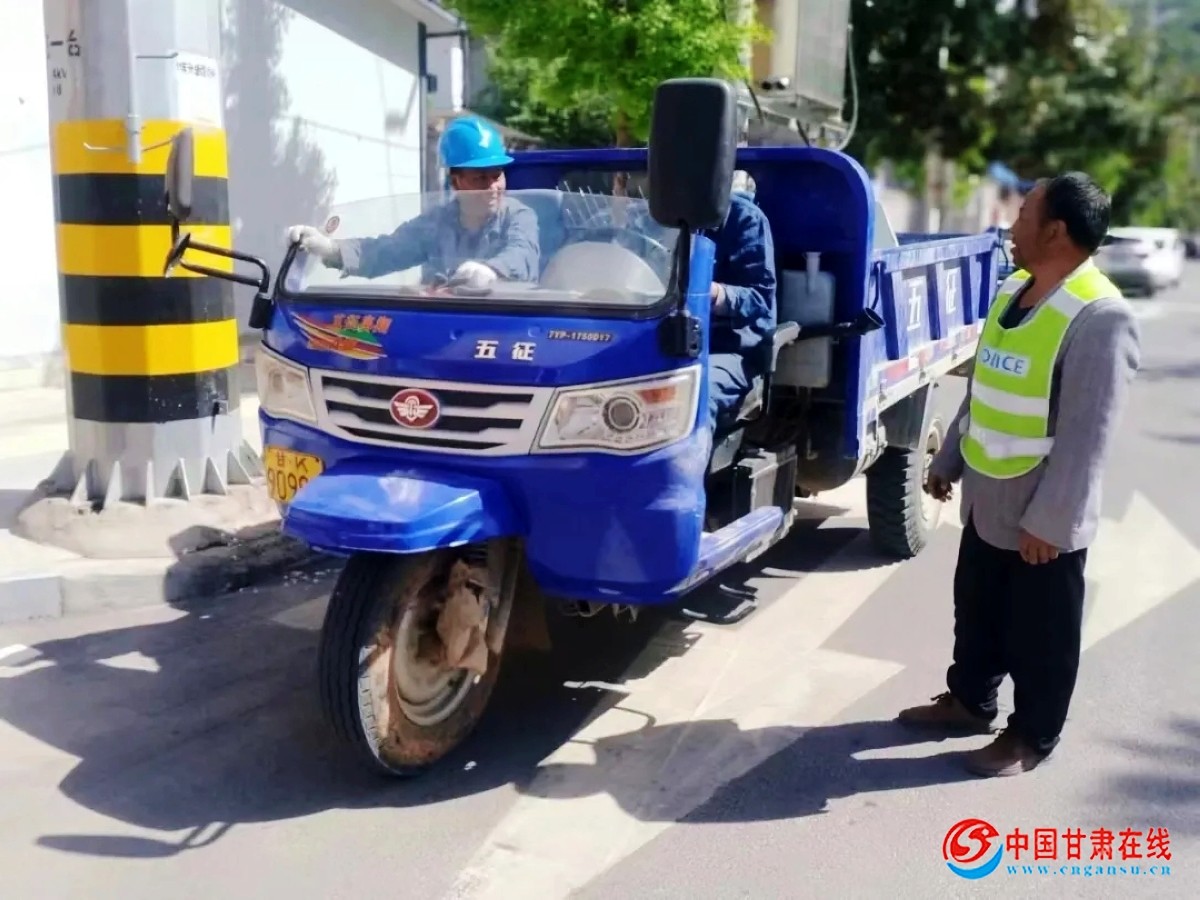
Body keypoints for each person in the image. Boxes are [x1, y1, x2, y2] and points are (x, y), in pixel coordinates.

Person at [898, 172, 1141, 777]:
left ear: (1055, 231)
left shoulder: (1099, 315)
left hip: (1041, 520)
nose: (1011, 225)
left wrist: (1052, 522)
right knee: (977, 612)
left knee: (1041, 636)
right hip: (988, 497)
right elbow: (986, 386)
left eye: (1024, 213)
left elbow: (1089, 435)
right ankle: (970, 701)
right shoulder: (1014, 289)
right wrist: (949, 459)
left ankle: (1031, 736)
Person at [286, 116, 540, 288]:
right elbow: (387, 250)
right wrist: (330, 248)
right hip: (449, 324)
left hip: (510, 328)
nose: (493, 186)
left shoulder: (520, 216)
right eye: (480, 178)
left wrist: (491, 270)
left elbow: (522, 253)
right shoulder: (437, 222)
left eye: (497, 175)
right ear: (456, 181)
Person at [702, 191, 777, 432]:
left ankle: (689, 457)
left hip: (727, 349)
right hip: (657, 343)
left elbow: (759, 298)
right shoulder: (650, 219)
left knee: (696, 396)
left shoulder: (744, 218)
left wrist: (715, 293)